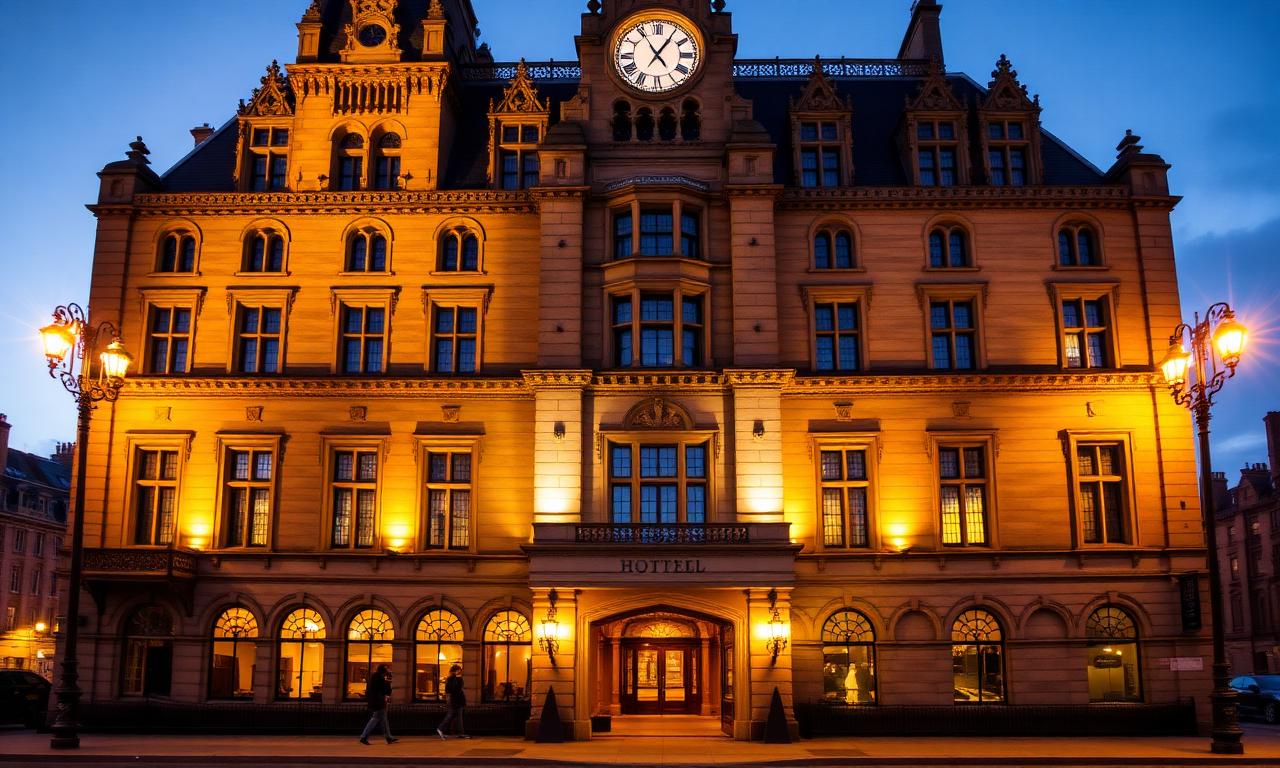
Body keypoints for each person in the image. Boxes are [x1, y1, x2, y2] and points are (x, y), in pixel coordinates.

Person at [359, 664, 399, 745]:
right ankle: (364, 736)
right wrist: (388, 682)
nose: (388, 671)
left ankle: (388, 737)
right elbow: (386, 691)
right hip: (379, 701)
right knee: (376, 719)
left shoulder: (373, 677)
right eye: (387, 670)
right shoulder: (380, 678)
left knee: (382, 719)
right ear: (383, 671)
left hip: (375, 701)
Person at [437, 664, 470, 739]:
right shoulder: (454, 679)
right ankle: (440, 728)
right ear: (456, 671)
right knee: (451, 715)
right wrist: (459, 679)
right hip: (456, 701)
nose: (460, 672)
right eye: (459, 670)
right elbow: (457, 689)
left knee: (458, 717)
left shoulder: (451, 678)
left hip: (455, 700)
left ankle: (460, 733)